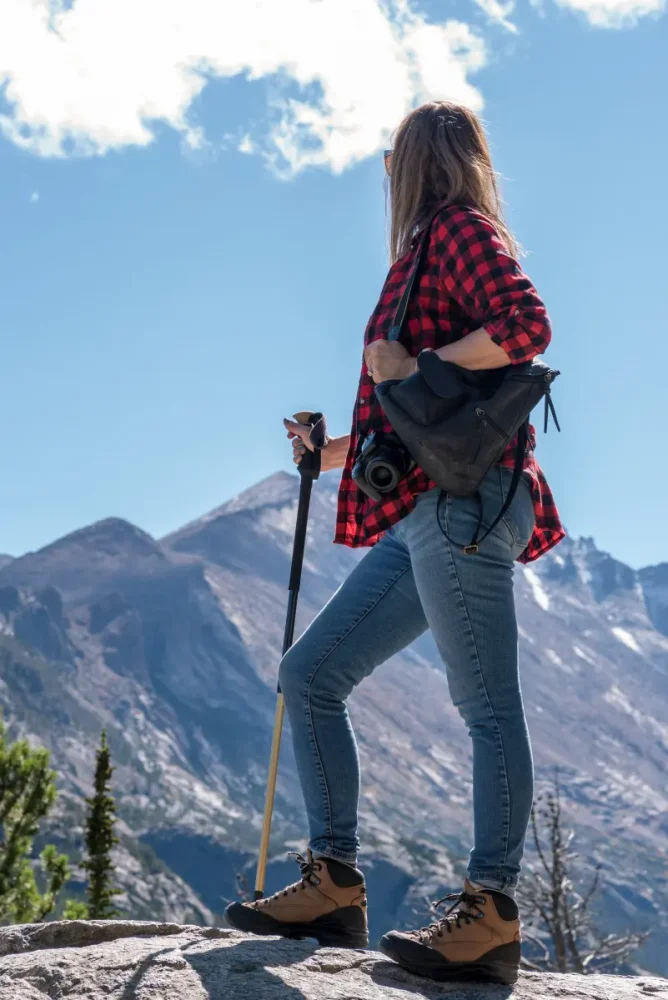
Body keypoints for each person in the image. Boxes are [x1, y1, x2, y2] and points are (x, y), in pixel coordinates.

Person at [224, 100, 565, 986]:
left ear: (418, 166)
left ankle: (490, 912)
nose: (388, 177)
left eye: (393, 162)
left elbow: (528, 329)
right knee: (310, 673)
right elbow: (412, 411)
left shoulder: (459, 231)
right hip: (426, 505)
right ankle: (333, 883)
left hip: (460, 507)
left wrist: (415, 368)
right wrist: (330, 452)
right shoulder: (421, 257)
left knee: (487, 706)